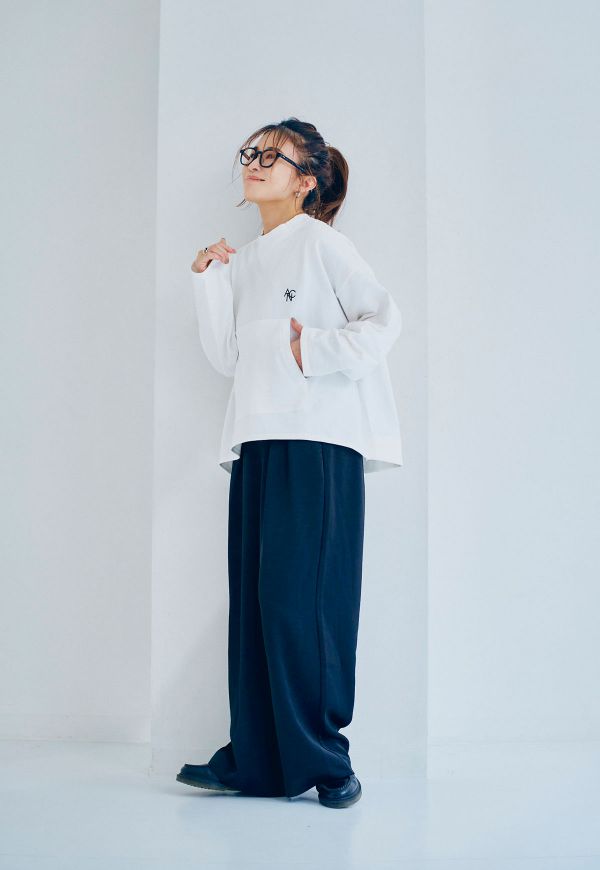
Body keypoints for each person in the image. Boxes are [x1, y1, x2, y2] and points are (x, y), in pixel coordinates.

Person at [176, 117, 403, 808]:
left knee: (305, 603)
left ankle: (329, 762)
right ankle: (255, 760)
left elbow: (383, 321)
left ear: (306, 181)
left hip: (318, 440)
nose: (255, 161)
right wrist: (209, 279)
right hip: (255, 441)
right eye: (251, 152)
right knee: (258, 604)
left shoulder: (323, 243)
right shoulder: (245, 261)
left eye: (273, 155)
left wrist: (314, 351)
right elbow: (227, 358)